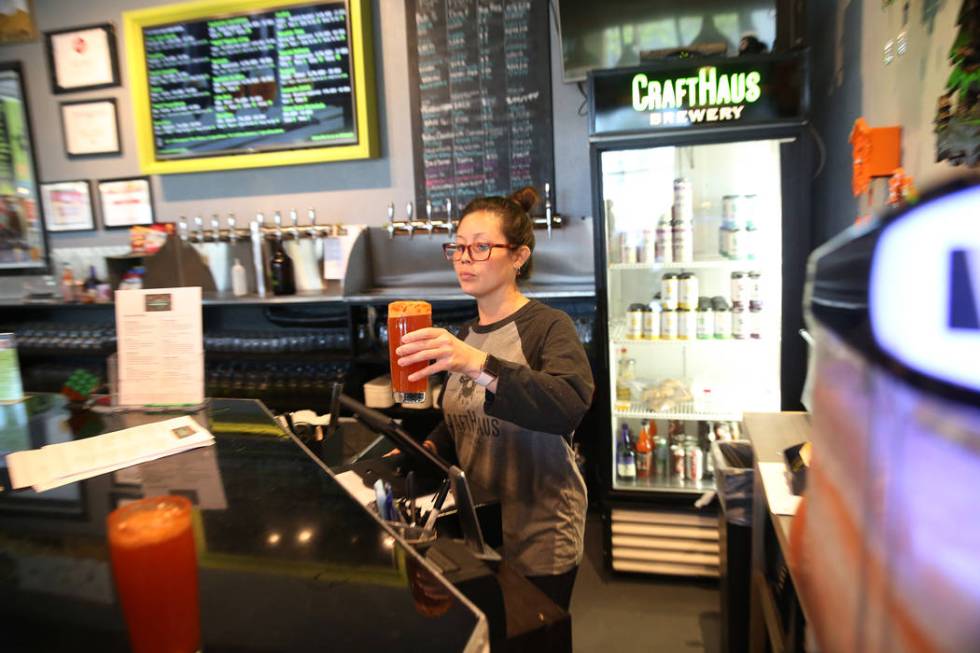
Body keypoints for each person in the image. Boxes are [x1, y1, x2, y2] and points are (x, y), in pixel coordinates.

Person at [394, 187, 593, 611]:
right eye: (459, 247)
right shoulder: (465, 334)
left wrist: (476, 363)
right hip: (478, 532)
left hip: (539, 535)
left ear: (518, 257)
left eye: (481, 247)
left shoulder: (547, 327)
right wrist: (427, 448)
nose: (465, 258)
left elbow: (568, 404)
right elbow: (460, 416)